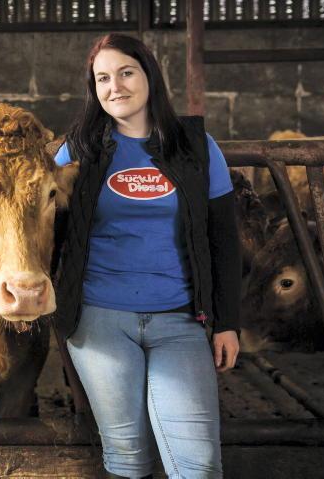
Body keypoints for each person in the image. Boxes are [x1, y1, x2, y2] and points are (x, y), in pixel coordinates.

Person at [52, 33, 241, 479]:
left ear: (149, 75)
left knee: (200, 464)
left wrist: (227, 321)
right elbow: (46, 231)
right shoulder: (77, 150)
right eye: (102, 78)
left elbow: (223, 240)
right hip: (99, 321)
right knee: (128, 459)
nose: (114, 86)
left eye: (125, 72)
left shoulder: (196, 145)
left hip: (179, 320)